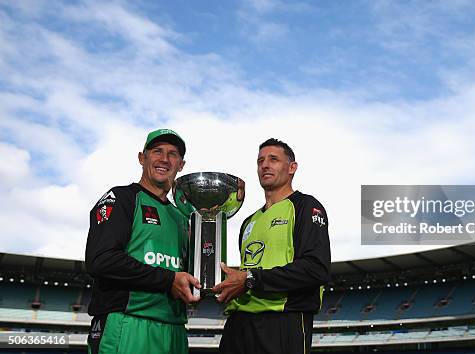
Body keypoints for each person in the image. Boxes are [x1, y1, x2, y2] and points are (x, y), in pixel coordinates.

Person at [85, 128, 201, 354]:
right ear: (142, 157)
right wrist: (168, 280)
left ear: (181, 165)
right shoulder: (120, 198)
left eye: (173, 154)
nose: (164, 159)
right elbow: (102, 260)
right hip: (128, 324)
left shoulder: (183, 217)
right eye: (157, 151)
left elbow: (188, 273)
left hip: (175, 329)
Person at [213, 138, 331, 354]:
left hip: (282, 321)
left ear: (292, 168)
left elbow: (316, 269)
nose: (265, 165)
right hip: (238, 324)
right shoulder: (249, 222)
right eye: (260, 161)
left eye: (273, 159)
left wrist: (250, 279)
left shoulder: (306, 206)